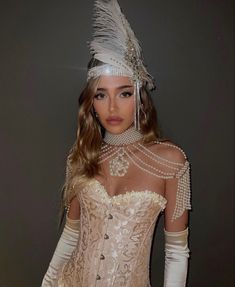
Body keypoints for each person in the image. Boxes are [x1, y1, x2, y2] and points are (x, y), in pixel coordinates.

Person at [41, 0, 192, 286]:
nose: (112, 107)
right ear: (91, 103)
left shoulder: (171, 161)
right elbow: (70, 236)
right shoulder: (81, 156)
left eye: (124, 94)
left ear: (139, 97)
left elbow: (176, 253)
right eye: (101, 95)